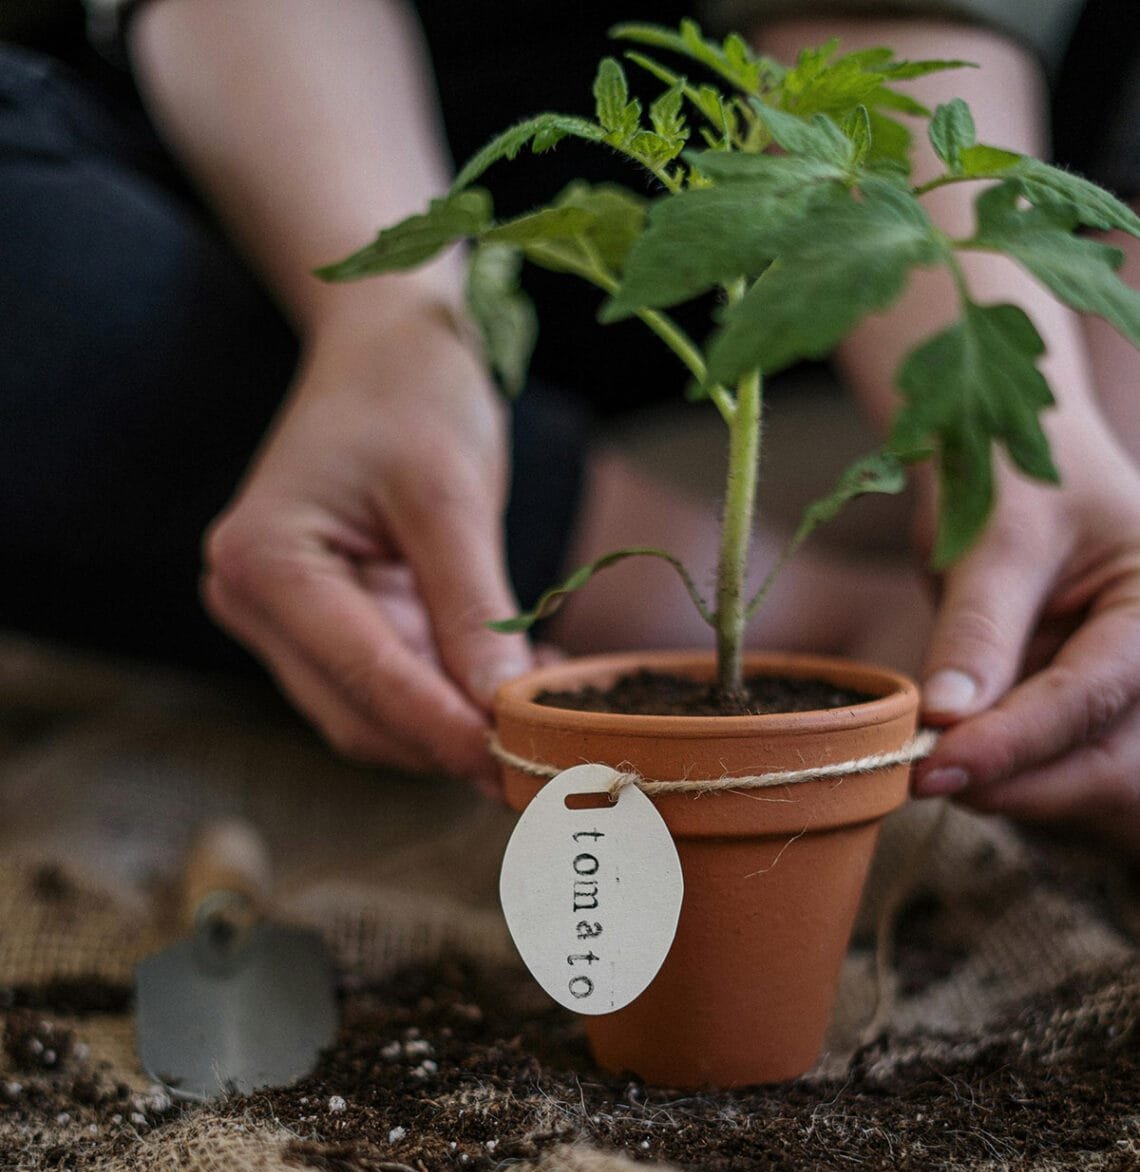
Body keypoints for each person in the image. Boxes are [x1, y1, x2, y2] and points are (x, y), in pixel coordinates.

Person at [2, 1, 1138, 852]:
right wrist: (393, 321)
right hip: (318, 180)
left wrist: (1001, 424)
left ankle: (1076, 562)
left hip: (895, 144)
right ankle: (832, 623)